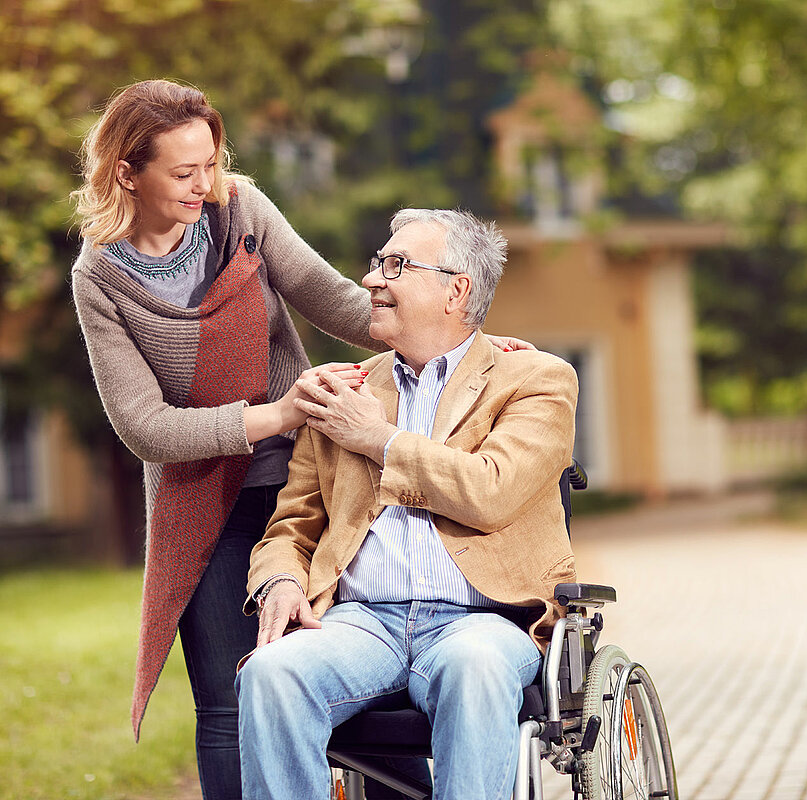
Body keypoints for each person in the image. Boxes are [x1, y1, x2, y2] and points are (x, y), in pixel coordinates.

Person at [69, 80, 526, 800]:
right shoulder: (100, 278)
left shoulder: (239, 211)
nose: (204, 185)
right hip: (205, 500)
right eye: (183, 173)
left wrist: (466, 341)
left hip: (308, 476)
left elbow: (335, 298)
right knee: (228, 699)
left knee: (370, 664)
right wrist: (277, 415)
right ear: (128, 172)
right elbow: (143, 427)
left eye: (211, 163)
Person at [235, 208, 579, 799]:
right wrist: (281, 582)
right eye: (376, 263)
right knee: (270, 673)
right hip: (360, 621)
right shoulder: (345, 389)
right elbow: (291, 525)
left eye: (395, 265)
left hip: (483, 620)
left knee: (475, 669)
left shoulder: (537, 380)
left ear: (456, 289)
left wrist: (379, 440)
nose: (371, 280)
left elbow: (491, 490)